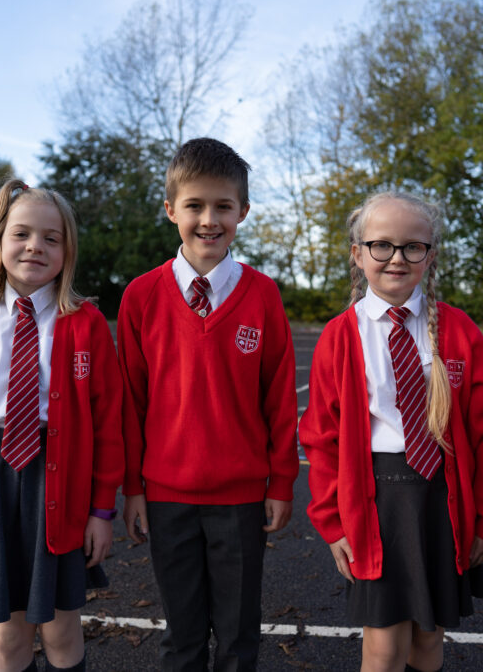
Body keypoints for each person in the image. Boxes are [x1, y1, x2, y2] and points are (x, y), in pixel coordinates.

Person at [116, 137, 299, 671]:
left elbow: (279, 399)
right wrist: (133, 488)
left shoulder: (262, 294)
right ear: (171, 209)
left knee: (239, 637)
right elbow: (130, 402)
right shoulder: (141, 296)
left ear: (244, 211)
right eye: (195, 205)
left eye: (223, 206)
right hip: (165, 495)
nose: (209, 220)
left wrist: (281, 483)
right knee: (183, 637)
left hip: (240, 498)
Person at [301, 192, 483, 672]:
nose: (397, 258)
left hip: (442, 500)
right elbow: (321, 440)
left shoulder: (457, 330)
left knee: (428, 640)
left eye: (413, 246)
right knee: (384, 645)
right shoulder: (341, 335)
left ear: (430, 255)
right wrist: (331, 522)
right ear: (358, 253)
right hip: (377, 504)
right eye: (382, 245)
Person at [0, 179, 124, 672]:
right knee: (8, 639)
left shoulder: (86, 324)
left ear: (67, 251)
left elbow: (108, 426)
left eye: (50, 238)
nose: (35, 246)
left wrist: (102, 510)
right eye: (21, 234)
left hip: (60, 486)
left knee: (61, 631)